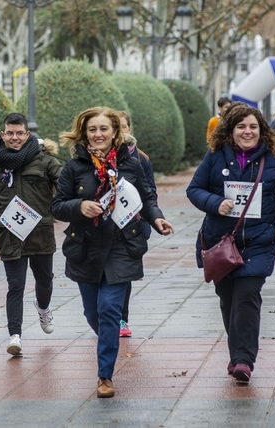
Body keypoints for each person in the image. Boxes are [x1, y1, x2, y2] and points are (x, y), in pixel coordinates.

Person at [52, 106, 174, 398]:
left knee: (109, 310)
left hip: (122, 245)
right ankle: (107, 340)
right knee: (93, 312)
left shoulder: (131, 163)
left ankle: (105, 376)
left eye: (104, 129)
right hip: (85, 246)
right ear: (84, 133)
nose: (98, 134)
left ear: (115, 132)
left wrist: (156, 218)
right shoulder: (74, 167)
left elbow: (146, 197)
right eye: (92, 129)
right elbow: (56, 206)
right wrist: (79, 207)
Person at [186, 103, 275, 383]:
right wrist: (215, 203)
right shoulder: (214, 156)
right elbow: (194, 189)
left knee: (247, 298)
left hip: (259, 242)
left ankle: (243, 360)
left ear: (261, 130)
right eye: (241, 127)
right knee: (228, 301)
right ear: (230, 130)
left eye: (253, 127)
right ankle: (237, 352)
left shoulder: (274, 159)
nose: (247, 132)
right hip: (220, 242)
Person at [0, 113, 62, 356]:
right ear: (3, 135)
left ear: (27, 134)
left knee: (45, 281)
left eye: (19, 133)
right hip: (10, 235)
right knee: (15, 285)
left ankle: (43, 307)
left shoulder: (45, 161)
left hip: (40, 233)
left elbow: (65, 186)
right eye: (10, 133)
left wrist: (65, 208)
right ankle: (15, 336)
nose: (15, 137)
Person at [117, 111, 158, 338]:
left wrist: (153, 216)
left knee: (124, 275)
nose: (121, 131)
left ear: (129, 129)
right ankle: (106, 315)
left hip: (134, 226)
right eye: (117, 126)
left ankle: (122, 319)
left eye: (124, 126)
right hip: (106, 226)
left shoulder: (141, 159)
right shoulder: (100, 158)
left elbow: (150, 190)